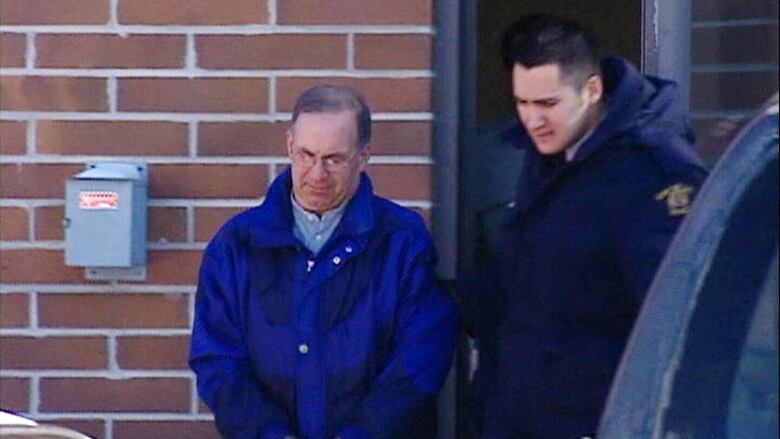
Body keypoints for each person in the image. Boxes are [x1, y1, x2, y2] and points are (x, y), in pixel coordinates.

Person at [467, 15, 709, 438]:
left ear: (592, 90)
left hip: (594, 418)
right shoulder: (550, 155)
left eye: (547, 104)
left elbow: (675, 321)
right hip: (521, 411)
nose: (532, 120)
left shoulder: (652, 171)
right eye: (522, 103)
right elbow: (526, 279)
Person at [189, 84, 458, 439]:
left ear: (363, 157)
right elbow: (219, 363)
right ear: (288, 145)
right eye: (306, 155)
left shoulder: (401, 241)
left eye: (334, 159)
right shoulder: (236, 245)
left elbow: (421, 360)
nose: (316, 174)